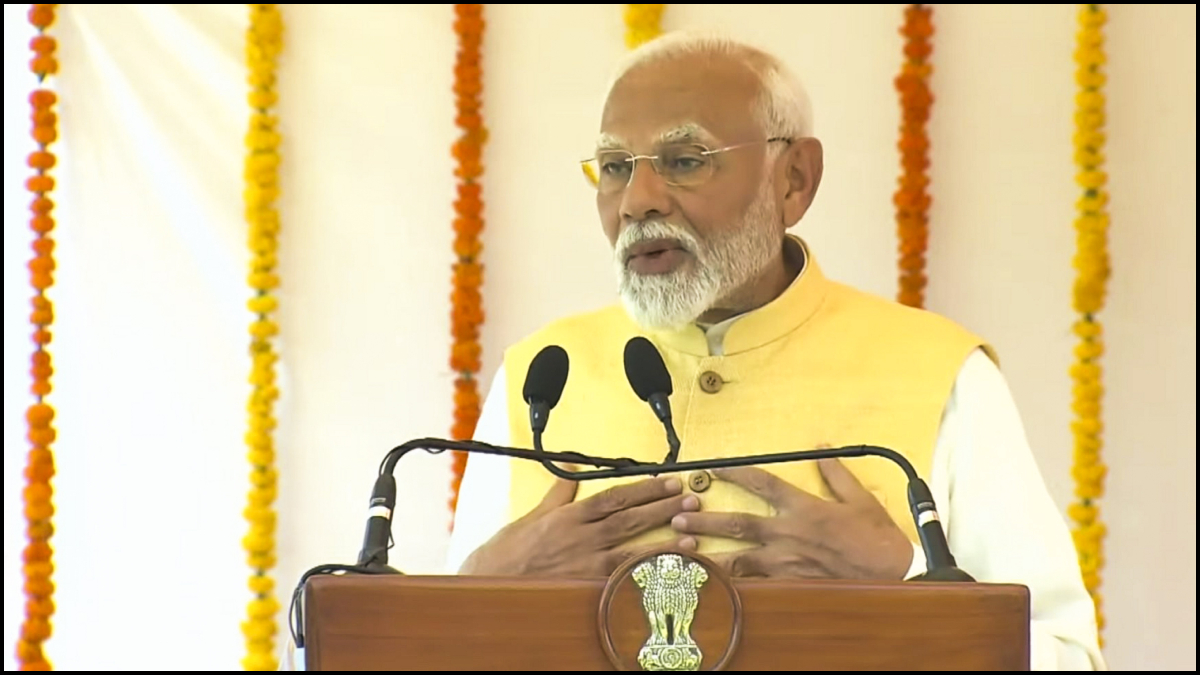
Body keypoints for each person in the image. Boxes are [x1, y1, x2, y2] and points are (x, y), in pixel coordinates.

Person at [446, 30, 1105, 671]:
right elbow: (420, 640)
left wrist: (905, 587)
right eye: (616, 167)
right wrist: (483, 592)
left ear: (793, 179)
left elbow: (1068, 658)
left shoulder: (940, 374)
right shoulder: (540, 374)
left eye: (685, 159)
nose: (638, 201)